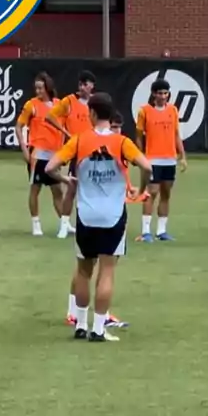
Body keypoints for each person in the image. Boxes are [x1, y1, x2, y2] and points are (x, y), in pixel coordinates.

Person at [46, 93, 150, 342]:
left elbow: (50, 167)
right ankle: (99, 328)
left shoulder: (79, 141)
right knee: (107, 271)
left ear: (91, 113)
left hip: (86, 215)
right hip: (113, 215)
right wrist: (141, 188)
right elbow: (147, 166)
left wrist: (65, 179)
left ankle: (80, 324)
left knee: (83, 270)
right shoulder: (122, 142)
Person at [64, 113, 130, 333]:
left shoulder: (105, 146)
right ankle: (89, 318)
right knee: (98, 267)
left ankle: (78, 316)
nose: (117, 131)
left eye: (119, 128)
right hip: (107, 216)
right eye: (114, 127)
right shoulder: (102, 146)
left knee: (87, 266)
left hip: (88, 215)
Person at [134, 78, 188, 242]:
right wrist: (140, 156)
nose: (163, 96)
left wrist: (182, 156)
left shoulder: (173, 110)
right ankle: (145, 231)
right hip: (152, 159)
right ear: (153, 94)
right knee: (151, 193)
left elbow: (176, 135)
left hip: (169, 159)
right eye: (159, 93)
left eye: (165, 93)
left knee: (166, 194)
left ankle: (161, 231)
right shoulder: (144, 111)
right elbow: (138, 137)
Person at [47, 71, 96, 239]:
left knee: (93, 190)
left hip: (94, 150)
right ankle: (64, 224)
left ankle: (90, 225)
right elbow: (50, 116)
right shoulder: (69, 101)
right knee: (72, 189)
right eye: (81, 84)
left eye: (86, 84)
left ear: (92, 86)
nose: (83, 87)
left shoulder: (96, 102)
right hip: (77, 151)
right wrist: (65, 132)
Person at [16, 72, 65, 237]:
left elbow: (63, 127)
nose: (38, 91)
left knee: (57, 190)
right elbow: (19, 127)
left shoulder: (59, 104)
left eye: (40, 88)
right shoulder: (31, 105)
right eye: (36, 88)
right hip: (37, 153)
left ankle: (64, 223)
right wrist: (24, 149)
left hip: (54, 154)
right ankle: (36, 224)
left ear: (48, 88)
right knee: (35, 189)